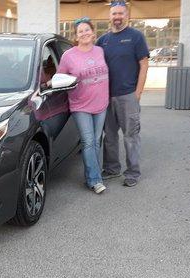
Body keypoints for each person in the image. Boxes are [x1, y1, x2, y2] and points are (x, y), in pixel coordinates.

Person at [97, 1, 150, 187]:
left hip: (128, 95)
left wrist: (138, 92)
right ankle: (112, 169)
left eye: (120, 13)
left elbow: (144, 63)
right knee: (109, 136)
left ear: (127, 15)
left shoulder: (136, 37)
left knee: (131, 136)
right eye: (114, 14)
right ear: (109, 16)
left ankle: (132, 173)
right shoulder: (103, 40)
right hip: (106, 97)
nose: (117, 17)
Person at [54, 17, 110, 194]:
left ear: (93, 33)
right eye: (80, 31)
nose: (84, 33)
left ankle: (90, 177)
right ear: (76, 36)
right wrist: (48, 83)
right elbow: (59, 78)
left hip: (101, 103)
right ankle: (95, 180)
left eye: (87, 30)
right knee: (88, 141)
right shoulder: (69, 56)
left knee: (96, 141)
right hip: (80, 105)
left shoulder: (100, 51)